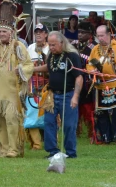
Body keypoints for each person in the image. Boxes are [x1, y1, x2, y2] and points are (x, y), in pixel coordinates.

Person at [0, 1, 34, 158]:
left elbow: (28, 65)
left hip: (13, 93)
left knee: (12, 120)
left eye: (4, 32)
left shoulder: (18, 46)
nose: (1, 34)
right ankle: (4, 149)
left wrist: (20, 70)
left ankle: (14, 148)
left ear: (12, 32)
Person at [41, 31, 83, 159]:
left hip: (68, 94)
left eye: (54, 45)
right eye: (50, 45)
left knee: (69, 125)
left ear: (62, 43)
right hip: (52, 95)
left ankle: (70, 152)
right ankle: (53, 151)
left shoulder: (72, 56)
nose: (52, 47)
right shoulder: (51, 56)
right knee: (48, 122)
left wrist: (75, 96)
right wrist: (31, 69)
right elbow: (48, 68)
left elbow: (79, 77)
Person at [87, 24, 116, 145]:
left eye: (102, 35)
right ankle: (106, 136)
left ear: (109, 35)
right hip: (100, 84)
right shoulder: (95, 49)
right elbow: (89, 64)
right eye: (98, 35)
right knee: (101, 112)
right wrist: (92, 70)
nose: (100, 38)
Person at [26, 23, 49, 150]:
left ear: (46, 34)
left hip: (48, 85)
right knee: (32, 112)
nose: (38, 34)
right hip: (33, 85)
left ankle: (51, 140)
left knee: (49, 113)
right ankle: (36, 143)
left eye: (41, 32)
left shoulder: (50, 48)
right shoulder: (30, 48)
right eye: (36, 32)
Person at [75, 20, 96, 139]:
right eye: (79, 32)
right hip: (75, 79)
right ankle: (76, 129)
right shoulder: (74, 45)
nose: (80, 35)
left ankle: (91, 130)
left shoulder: (94, 48)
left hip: (88, 81)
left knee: (88, 107)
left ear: (89, 34)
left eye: (83, 32)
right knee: (75, 105)